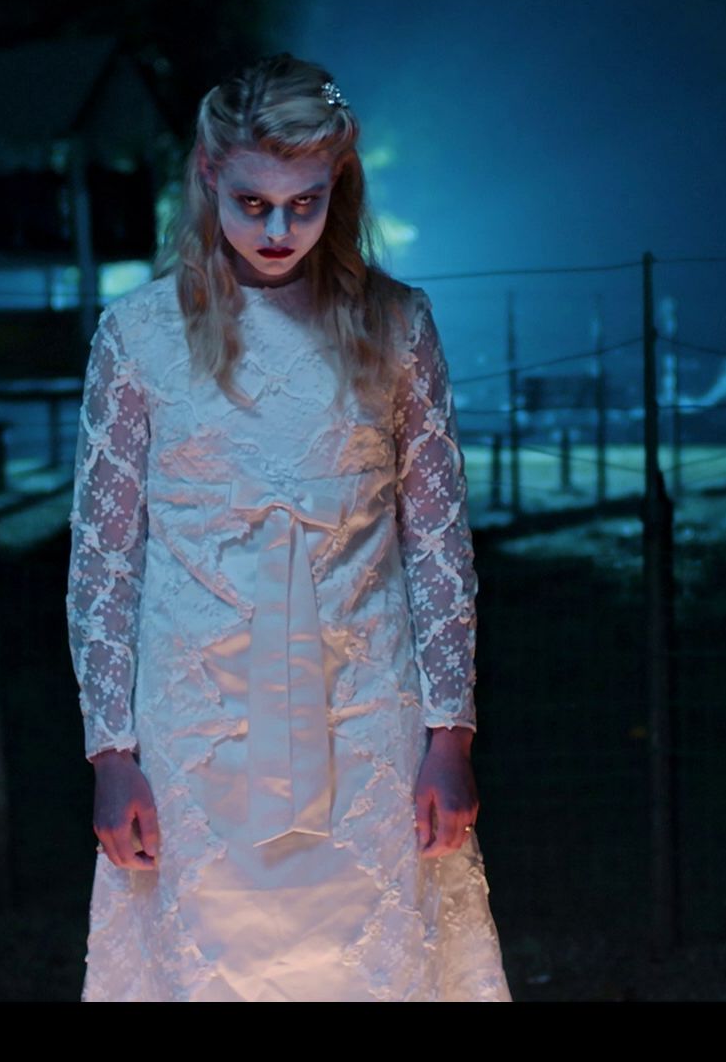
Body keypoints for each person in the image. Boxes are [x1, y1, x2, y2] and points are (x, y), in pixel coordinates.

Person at [68, 53, 510, 1000]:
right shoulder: (139, 337)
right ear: (208, 176)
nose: (278, 230)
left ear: (338, 184)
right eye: (253, 203)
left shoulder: (397, 326)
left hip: (366, 725)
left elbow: (438, 547)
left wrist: (450, 737)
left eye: (304, 203)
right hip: (197, 733)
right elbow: (105, 563)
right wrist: (112, 753)